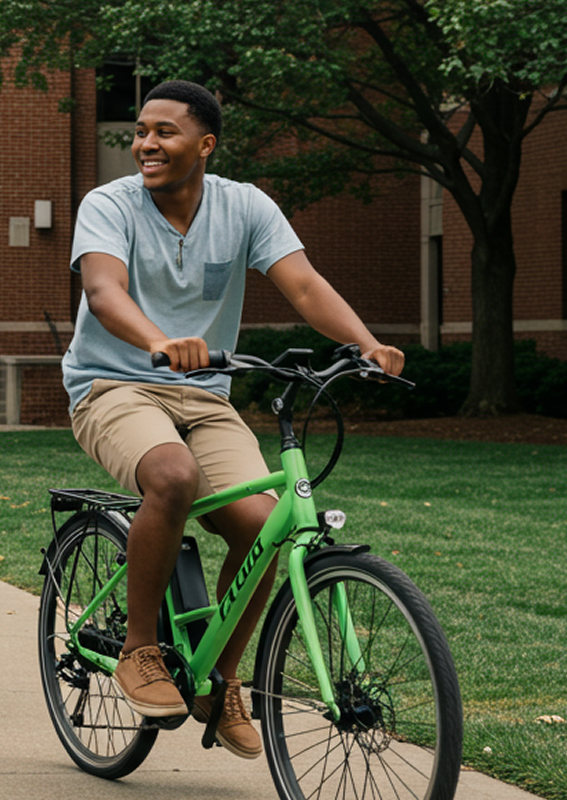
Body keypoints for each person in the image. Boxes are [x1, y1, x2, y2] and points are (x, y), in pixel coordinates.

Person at [62, 79, 404, 759]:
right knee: (171, 475)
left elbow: (303, 283)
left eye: (164, 132)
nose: (145, 144)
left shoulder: (245, 207)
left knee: (264, 524)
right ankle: (139, 650)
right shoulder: (109, 204)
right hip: (113, 385)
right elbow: (104, 291)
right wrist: (157, 339)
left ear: (205, 144)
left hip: (205, 395)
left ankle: (222, 681)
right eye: (141, 131)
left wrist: (365, 343)